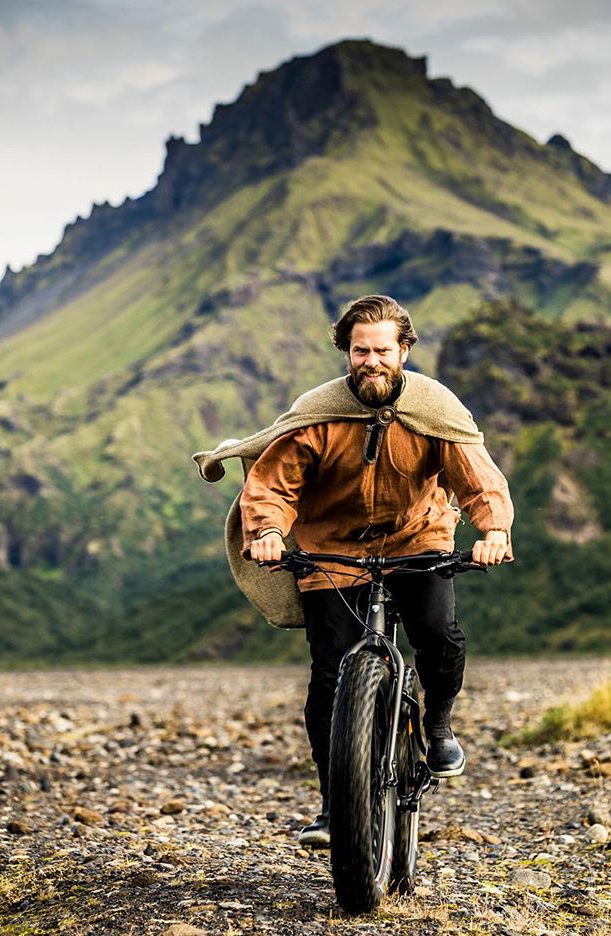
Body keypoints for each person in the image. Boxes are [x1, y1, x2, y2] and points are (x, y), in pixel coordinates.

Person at [243, 295, 514, 846]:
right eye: (360, 351)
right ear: (346, 351)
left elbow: (476, 478)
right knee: (328, 679)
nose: (372, 361)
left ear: (404, 350)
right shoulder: (317, 415)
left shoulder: (435, 408)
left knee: (437, 635)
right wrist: (268, 531)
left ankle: (436, 726)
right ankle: (334, 806)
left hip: (418, 541)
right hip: (333, 550)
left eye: (383, 350)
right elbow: (272, 485)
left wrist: (494, 531)